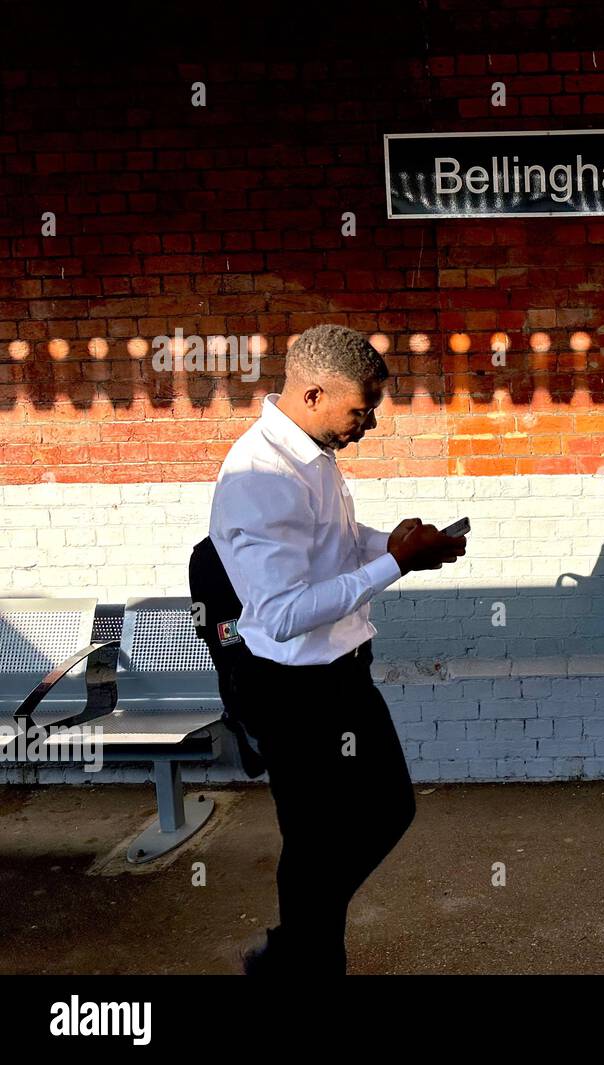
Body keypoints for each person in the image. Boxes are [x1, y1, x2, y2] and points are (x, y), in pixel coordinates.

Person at [207, 323, 465, 975]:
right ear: (316, 393)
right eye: (362, 409)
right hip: (293, 690)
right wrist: (394, 566)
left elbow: (333, 544)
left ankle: (298, 942)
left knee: (385, 810)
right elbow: (284, 611)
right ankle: (305, 955)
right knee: (317, 840)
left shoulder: (312, 454)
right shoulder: (259, 477)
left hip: (346, 673)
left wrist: (396, 545)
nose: (369, 423)